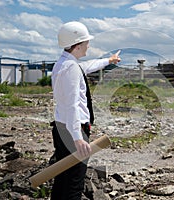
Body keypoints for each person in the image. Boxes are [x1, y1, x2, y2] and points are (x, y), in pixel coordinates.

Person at [50, 21, 120, 200]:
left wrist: (108, 61)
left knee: (62, 177)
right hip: (74, 129)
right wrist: (78, 138)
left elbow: (87, 67)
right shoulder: (71, 68)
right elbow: (72, 104)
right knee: (74, 182)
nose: (89, 45)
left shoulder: (63, 64)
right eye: (87, 41)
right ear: (78, 44)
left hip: (60, 126)